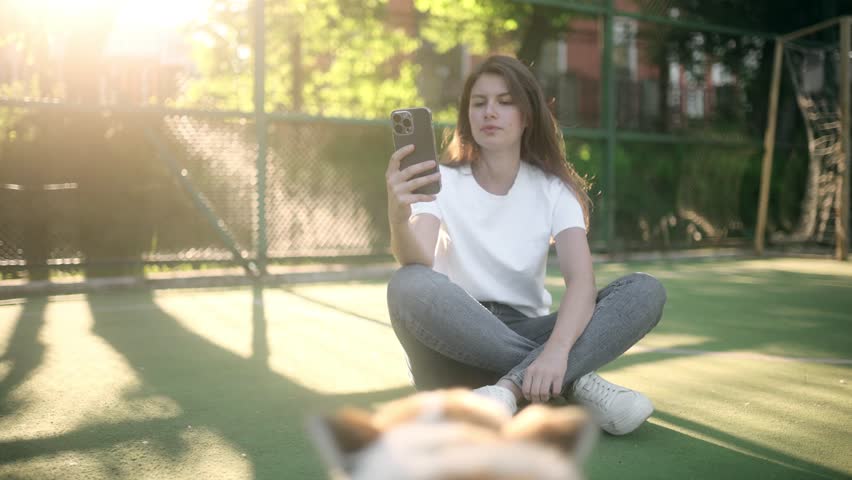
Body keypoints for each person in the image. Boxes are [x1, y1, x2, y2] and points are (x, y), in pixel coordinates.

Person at [384, 55, 666, 436]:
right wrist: (398, 214)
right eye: (479, 103)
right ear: (467, 116)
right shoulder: (443, 182)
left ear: (528, 114)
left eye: (505, 101)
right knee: (408, 283)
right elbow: (416, 258)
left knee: (644, 290)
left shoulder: (555, 190)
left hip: (529, 330)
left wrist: (556, 350)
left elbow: (582, 284)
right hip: (454, 336)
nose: (490, 112)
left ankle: (508, 390)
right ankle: (573, 384)